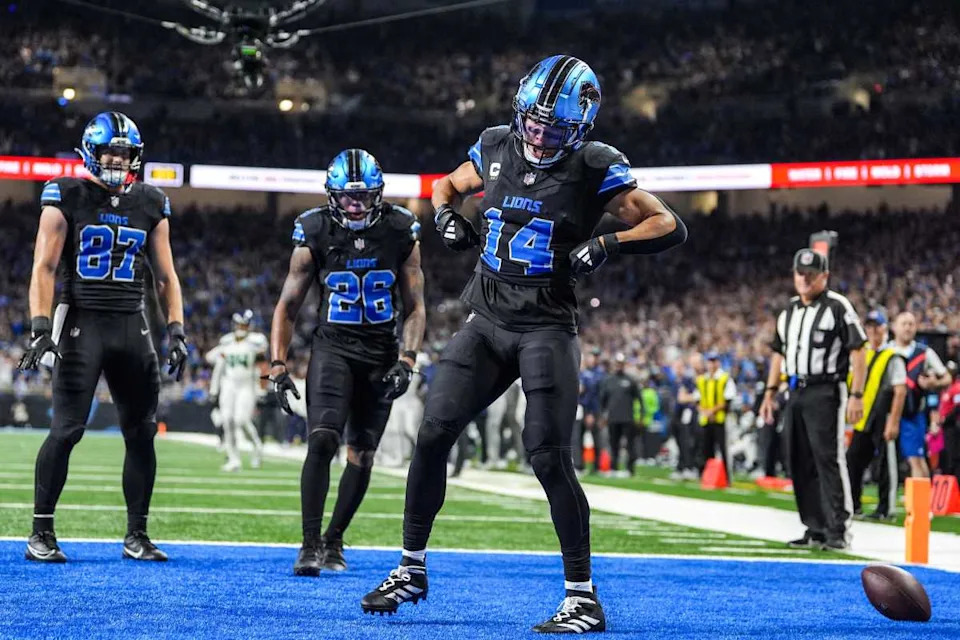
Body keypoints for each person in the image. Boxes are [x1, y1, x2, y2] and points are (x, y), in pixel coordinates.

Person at [361, 55, 687, 632]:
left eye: (552, 129)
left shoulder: (593, 164)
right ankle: (411, 568)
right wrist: (445, 216)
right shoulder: (494, 145)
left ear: (579, 128)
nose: (537, 136)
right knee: (432, 433)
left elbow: (667, 224)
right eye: (532, 122)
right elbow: (445, 185)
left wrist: (608, 244)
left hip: (545, 328)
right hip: (486, 321)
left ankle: (582, 597)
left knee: (547, 455)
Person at [17, 111, 187, 563]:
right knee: (67, 429)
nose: (117, 159)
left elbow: (166, 276)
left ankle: (137, 534)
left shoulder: (151, 202)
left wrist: (176, 328)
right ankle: (41, 532)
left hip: (132, 323)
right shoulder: (65, 193)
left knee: (142, 431)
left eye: (124, 153)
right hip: (81, 320)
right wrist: (40, 326)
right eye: (110, 151)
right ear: (91, 152)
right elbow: (44, 267)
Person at [264, 148, 426, 575]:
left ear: (379, 193)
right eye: (348, 197)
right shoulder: (314, 229)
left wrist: (408, 358)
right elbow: (287, 306)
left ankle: (334, 539)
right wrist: (277, 364)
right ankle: (309, 543)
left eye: (364, 196)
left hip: (380, 353)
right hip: (333, 349)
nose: (356, 205)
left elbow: (415, 305)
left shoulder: (400, 229)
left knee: (362, 453)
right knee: (321, 440)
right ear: (332, 195)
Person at [760, 248, 866, 551]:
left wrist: (856, 394)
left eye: (811, 274)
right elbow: (778, 354)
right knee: (798, 459)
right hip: (795, 390)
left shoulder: (837, 306)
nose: (804, 279)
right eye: (800, 273)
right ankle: (814, 527)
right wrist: (770, 392)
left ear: (824, 276)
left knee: (828, 459)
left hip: (826, 389)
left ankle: (838, 529)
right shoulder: (789, 311)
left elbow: (858, 350)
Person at [844, 310, 905, 521]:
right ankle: (853, 505)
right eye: (869, 326)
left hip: (883, 417)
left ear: (884, 329)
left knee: (885, 465)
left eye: (876, 326)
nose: (872, 331)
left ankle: (886, 509)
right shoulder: (864, 353)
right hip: (864, 418)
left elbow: (900, 391)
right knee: (853, 461)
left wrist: (893, 421)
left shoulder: (892, 356)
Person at [205, 309, 268, 472]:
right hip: (229, 384)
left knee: (241, 420)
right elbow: (213, 361)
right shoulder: (226, 342)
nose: (241, 327)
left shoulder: (256, 341)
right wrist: (214, 389)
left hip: (247, 384)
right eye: (239, 324)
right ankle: (234, 459)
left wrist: (261, 389)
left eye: (244, 324)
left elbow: (262, 361)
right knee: (227, 420)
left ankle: (257, 447)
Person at [891, 311, 951, 479]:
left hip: (912, 414)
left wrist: (933, 383)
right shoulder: (887, 350)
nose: (907, 328)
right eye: (904, 324)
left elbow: (946, 377)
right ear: (894, 327)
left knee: (916, 459)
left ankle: (922, 495)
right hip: (888, 412)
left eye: (911, 324)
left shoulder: (924, 352)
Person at [599, 353, 641, 476]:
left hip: (628, 418)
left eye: (621, 363)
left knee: (630, 444)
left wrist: (640, 415)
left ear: (624, 364)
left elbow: (639, 399)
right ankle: (614, 468)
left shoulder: (631, 380)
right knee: (613, 444)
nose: (619, 366)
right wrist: (602, 416)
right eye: (617, 363)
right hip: (613, 418)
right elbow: (603, 400)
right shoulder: (608, 380)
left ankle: (630, 469)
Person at [696, 353, 736, 479]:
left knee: (723, 449)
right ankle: (707, 476)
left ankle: (726, 476)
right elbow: (697, 399)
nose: (712, 365)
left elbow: (728, 399)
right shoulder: (702, 379)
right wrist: (705, 412)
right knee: (706, 448)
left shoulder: (725, 378)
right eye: (710, 361)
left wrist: (712, 411)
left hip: (720, 419)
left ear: (718, 363)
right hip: (706, 419)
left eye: (714, 361)